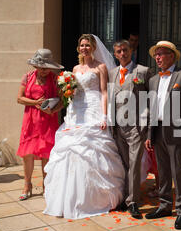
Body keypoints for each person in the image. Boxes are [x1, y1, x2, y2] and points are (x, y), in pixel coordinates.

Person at [43, 34, 125, 220]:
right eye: (82, 45)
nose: (84, 48)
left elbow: (104, 92)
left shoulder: (100, 67)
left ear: (94, 47)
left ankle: (93, 198)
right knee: (70, 151)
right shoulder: (74, 68)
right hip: (75, 111)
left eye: (88, 45)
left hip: (94, 110)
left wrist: (104, 116)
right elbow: (71, 93)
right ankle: (67, 198)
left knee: (91, 150)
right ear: (78, 48)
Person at [144, 41, 181, 230]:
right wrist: (150, 134)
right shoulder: (152, 80)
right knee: (163, 171)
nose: (157, 57)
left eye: (161, 54)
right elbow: (152, 108)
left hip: (177, 131)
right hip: (158, 130)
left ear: (172, 56)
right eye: (156, 55)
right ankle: (165, 206)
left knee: (178, 172)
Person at [109, 39, 152, 219]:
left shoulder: (142, 71)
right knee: (125, 164)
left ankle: (133, 201)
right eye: (118, 51)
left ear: (131, 50)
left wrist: (147, 128)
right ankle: (125, 198)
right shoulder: (112, 73)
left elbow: (150, 99)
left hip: (136, 126)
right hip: (118, 127)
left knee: (134, 165)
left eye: (125, 50)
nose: (122, 54)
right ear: (115, 54)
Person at [17, 49, 64, 201]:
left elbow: (62, 101)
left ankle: (46, 185)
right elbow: (19, 98)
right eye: (42, 67)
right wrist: (35, 102)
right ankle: (27, 184)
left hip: (48, 120)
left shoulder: (55, 79)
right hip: (30, 120)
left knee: (46, 154)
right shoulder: (28, 77)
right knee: (28, 154)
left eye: (47, 67)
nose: (44, 71)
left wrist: (53, 110)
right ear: (36, 66)